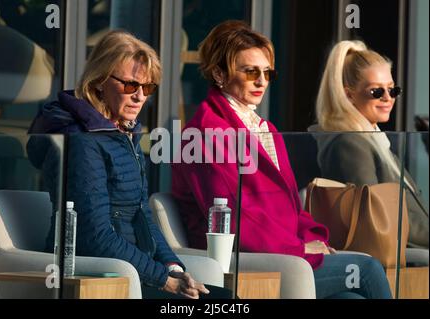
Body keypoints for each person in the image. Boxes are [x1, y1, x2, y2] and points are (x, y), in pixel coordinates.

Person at [171, 20, 392, 299]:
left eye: (267, 72)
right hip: (248, 263)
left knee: (349, 298)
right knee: (368, 268)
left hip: (284, 254)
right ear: (218, 73)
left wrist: (314, 238)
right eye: (250, 72)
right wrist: (299, 249)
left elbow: (290, 205)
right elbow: (235, 217)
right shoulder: (207, 132)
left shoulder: (266, 129)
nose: (262, 81)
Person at [26, 30, 231, 299]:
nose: (140, 97)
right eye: (130, 85)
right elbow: (96, 235)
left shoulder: (125, 134)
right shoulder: (82, 141)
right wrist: (163, 280)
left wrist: (174, 268)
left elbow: (142, 214)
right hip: (102, 275)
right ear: (99, 81)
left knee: (223, 299)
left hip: (137, 270)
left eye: (148, 88)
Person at [310, 40, 429, 250]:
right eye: (376, 91)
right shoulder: (351, 142)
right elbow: (375, 216)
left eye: (392, 90)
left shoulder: (372, 138)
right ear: (349, 95)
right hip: (396, 255)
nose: (387, 98)